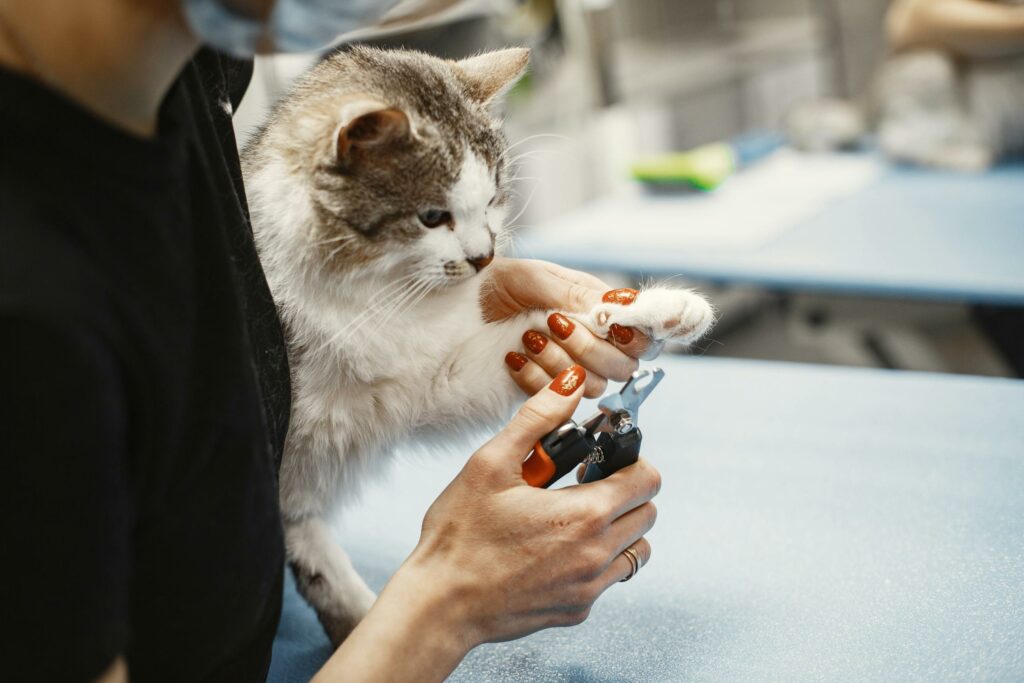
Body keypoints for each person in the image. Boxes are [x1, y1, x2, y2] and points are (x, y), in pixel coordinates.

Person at [0, 1, 662, 681]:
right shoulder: (30, 309)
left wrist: (422, 295)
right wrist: (450, 599)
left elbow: (205, 345)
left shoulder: (195, 55)